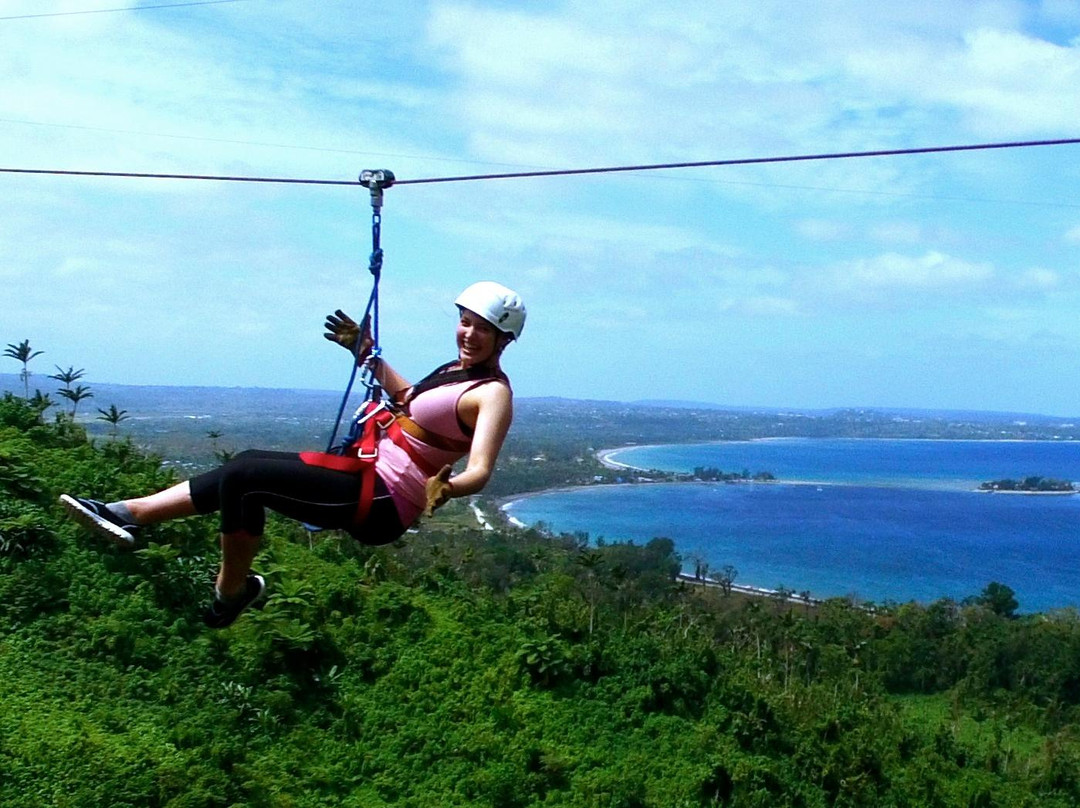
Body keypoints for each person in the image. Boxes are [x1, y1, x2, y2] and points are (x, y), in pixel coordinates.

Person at [60, 281, 526, 629]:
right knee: (242, 469)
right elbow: (409, 400)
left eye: (481, 330)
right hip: (367, 474)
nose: (468, 334)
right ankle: (127, 514)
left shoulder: (493, 394)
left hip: (385, 500)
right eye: (465, 322)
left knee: (246, 475)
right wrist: (365, 352)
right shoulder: (454, 370)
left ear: (503, 340)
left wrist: (447, 487)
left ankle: (232, 593)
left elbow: (481, 470)